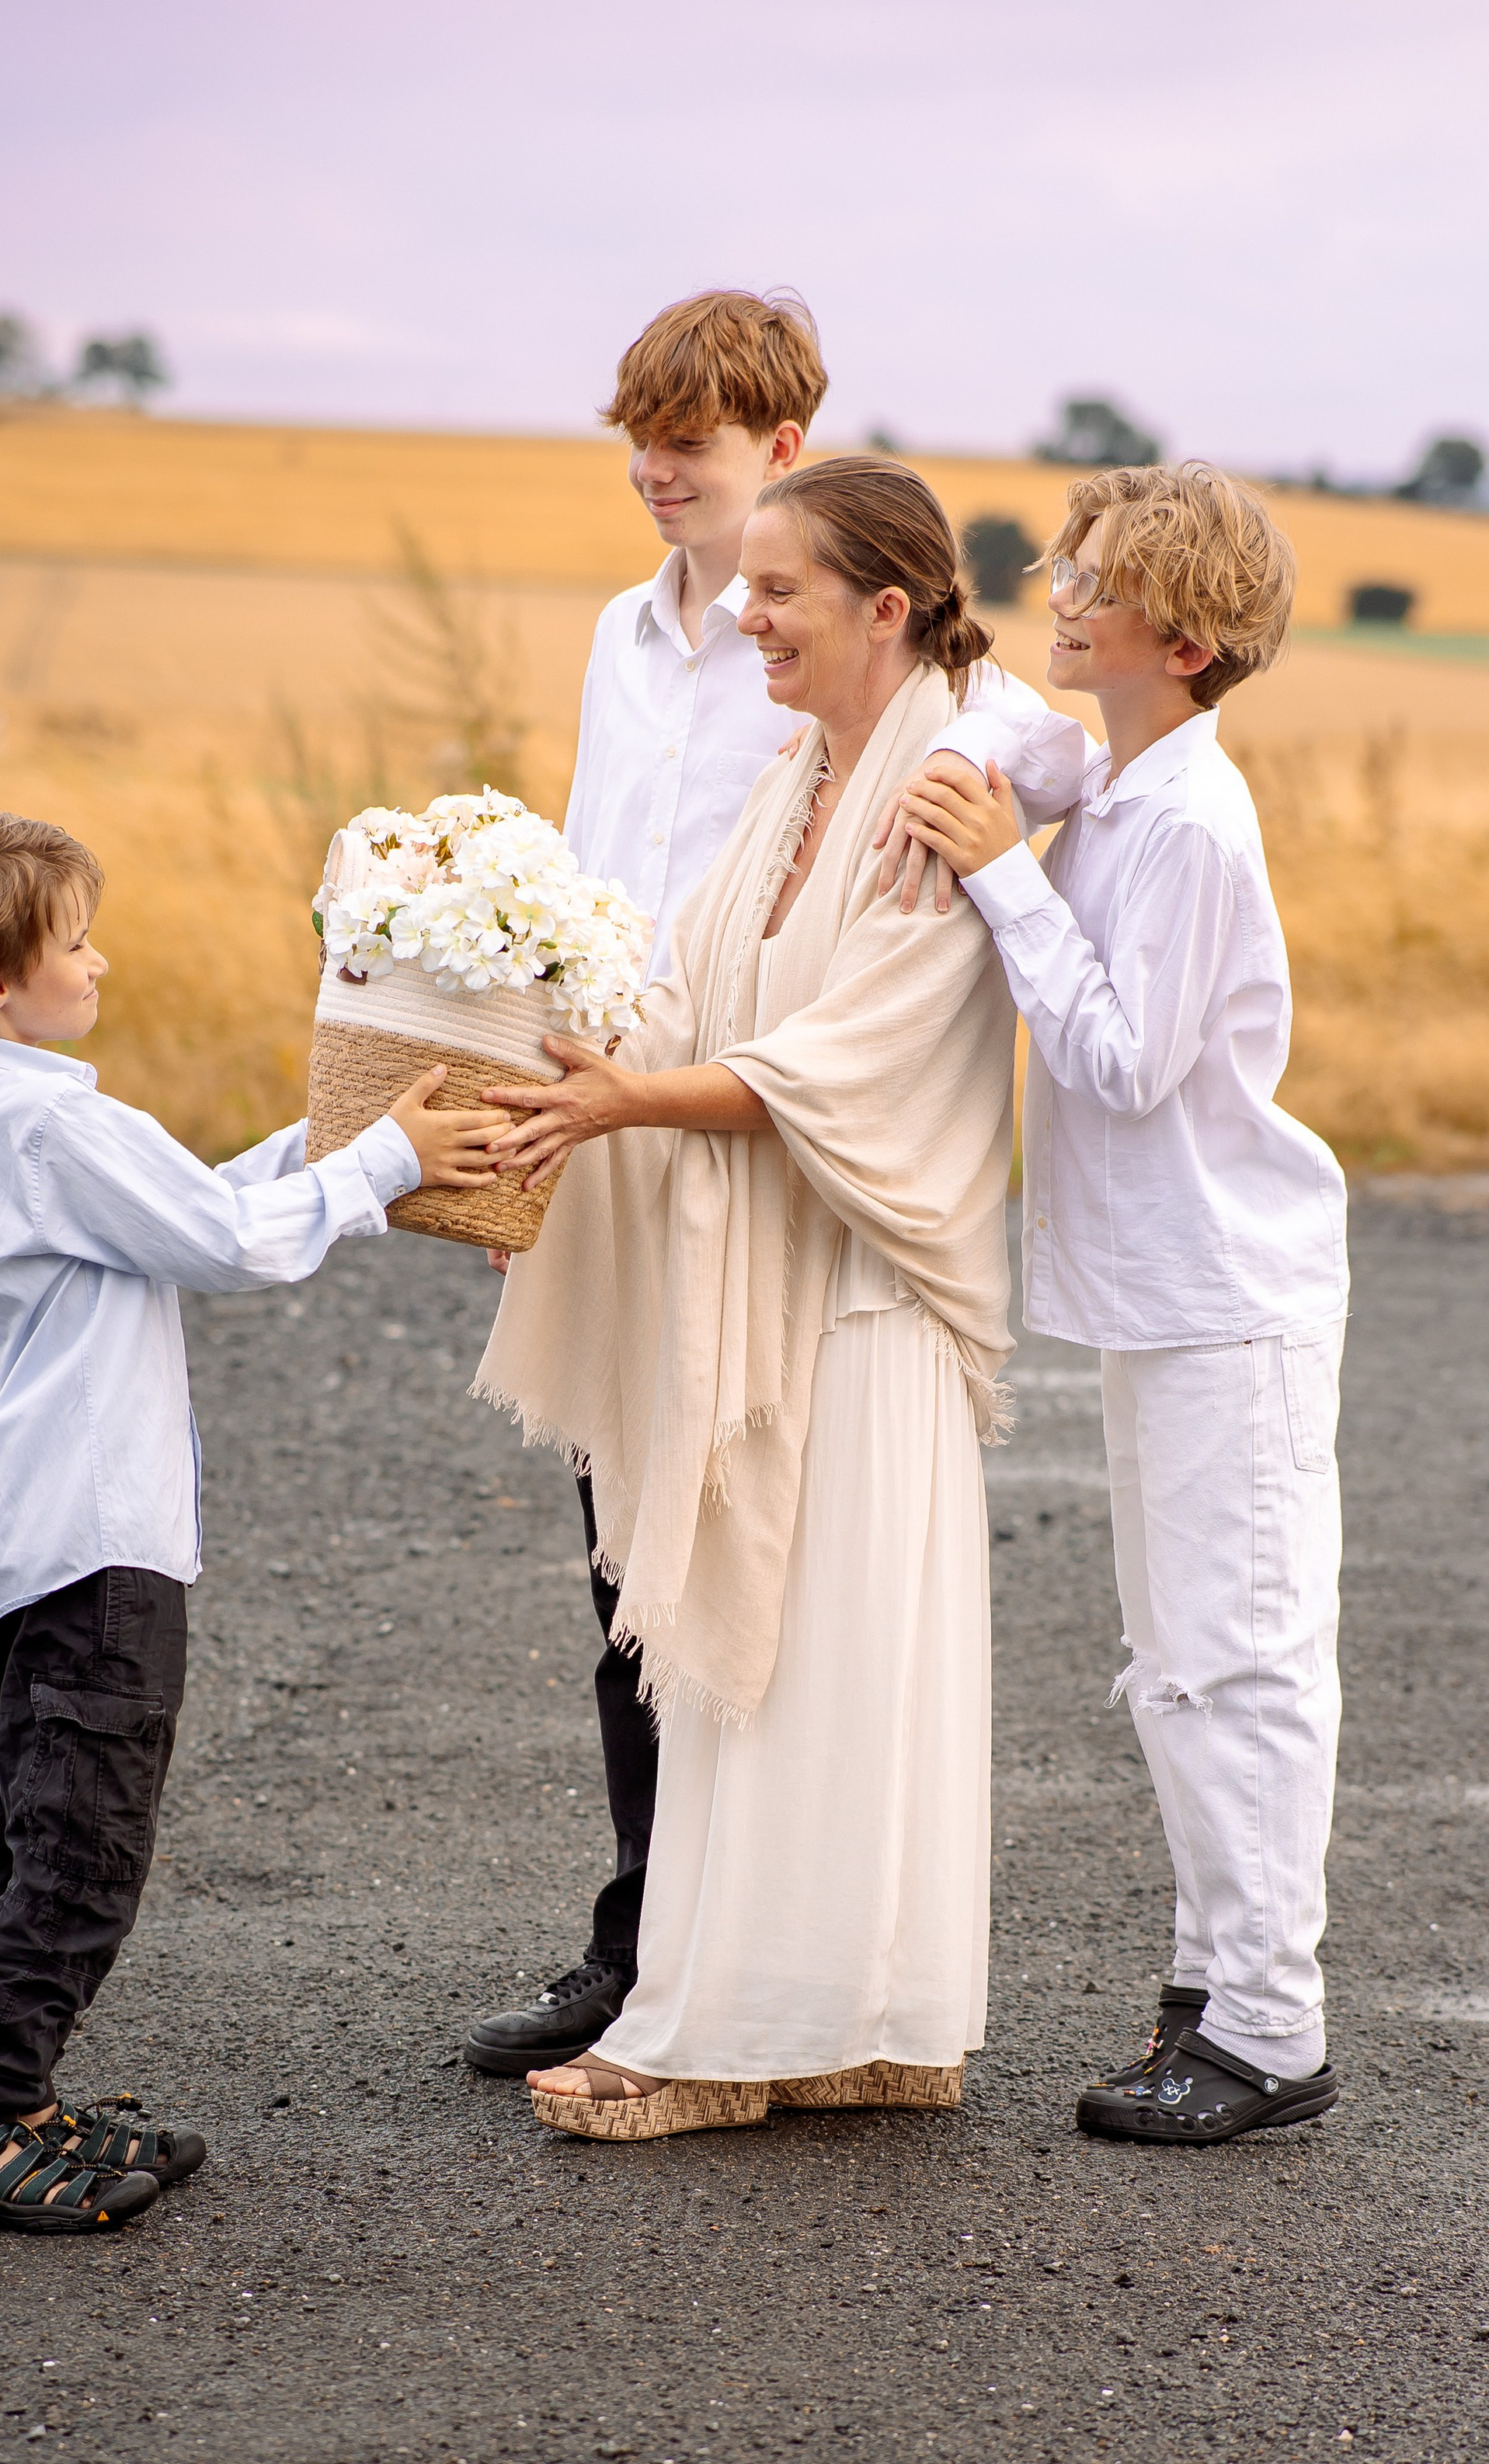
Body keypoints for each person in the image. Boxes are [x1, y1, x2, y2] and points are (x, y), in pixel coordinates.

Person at [462, 293, 1084, 2087]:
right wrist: (520, 1034)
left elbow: (1047, 762)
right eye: (639, 441)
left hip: (791, 1184)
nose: (663, 477)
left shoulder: (916, 717)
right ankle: (671, 1949)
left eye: (699, 450)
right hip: (653, 1141)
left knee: (771, 1601)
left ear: (784, 463)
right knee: (635, 1570)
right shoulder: (658, 660)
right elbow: (618, 887)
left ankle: (723, 1994)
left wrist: (984, 792)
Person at [0, 806, 503, 2231]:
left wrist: (347, 1138)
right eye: (75, 940)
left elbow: (203, 1206)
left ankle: (10, 2099)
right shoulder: (45, 1121)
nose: (98, 962)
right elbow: (230, 1247)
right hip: (96, 1543)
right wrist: (388, 1163)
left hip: (53, 1540)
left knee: (30, 1833)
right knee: (82, 1845)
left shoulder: (8, 1114)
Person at [890, 462, 1350, 2146]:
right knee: (1178, 1657)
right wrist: (971, 767)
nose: (1057, 597)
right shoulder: (1129, 770)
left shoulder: (1177, 818)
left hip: (1226, 1291)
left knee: (1231, 1661)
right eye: (1064, 567)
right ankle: (1208, 1994)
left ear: (1185, 628)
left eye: (1092, 580)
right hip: (1173, 1295)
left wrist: (998, 875)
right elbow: (1020, 726)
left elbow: (1119, 1058)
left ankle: (1264, 2033)